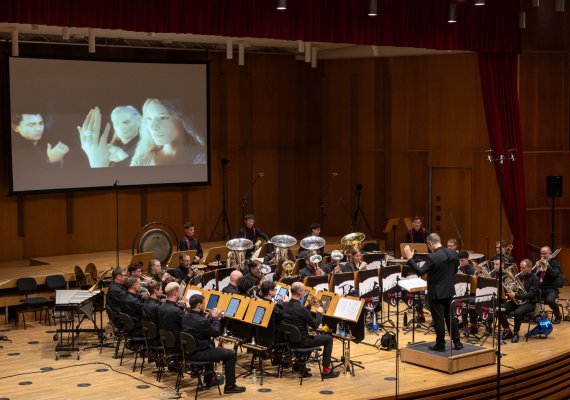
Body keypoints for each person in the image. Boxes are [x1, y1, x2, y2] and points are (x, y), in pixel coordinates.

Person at [403, 233, 463, 352]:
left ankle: (440, 344)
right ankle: (457, 342)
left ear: (430, 243)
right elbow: (455, 270)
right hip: (449, 290)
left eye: (428, 245)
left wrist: (410, 259)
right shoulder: (453, 253)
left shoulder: (432, 257)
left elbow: (420, 271)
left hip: (436, 293)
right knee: (450, 316)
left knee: (438, 318)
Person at [181, 294, 246, 394]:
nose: (205, 306)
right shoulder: (201, 320)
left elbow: (201, 327)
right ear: (199, 305)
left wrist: (209, 318)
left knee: (211, 344)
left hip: (188, 352)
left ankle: (210, 379)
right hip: (199, 353)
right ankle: (230, 386)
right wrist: (216, 318)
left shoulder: (186, 316)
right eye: (204, 303)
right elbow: (216, 333)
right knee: (231, 354)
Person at [282, 282, 339, 379]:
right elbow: (315, 326)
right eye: (304, 291)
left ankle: (299, 365)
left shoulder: (285, 305)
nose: (305, 293)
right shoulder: (301, 309)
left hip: (290, 341)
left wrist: (308, 308)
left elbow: (299, 318)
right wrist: (319, 313)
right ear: (300, 293)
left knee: (311, 336)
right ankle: (326, 371)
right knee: (328, 339)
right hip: (303, 342)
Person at [130, 98, 206, 166]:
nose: (153, 127)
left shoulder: (203, 157)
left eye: (163, 118)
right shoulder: (141, 160)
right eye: (149, 118)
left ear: (182, 120)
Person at [499, 259, 539, 343]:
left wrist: (516, 295)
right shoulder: (519, 277)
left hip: (529, 303)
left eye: (523, 268)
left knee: (517, 312)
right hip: (517, 301)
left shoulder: (535, 279)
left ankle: (516, 333)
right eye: (520, 268)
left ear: (529, 268)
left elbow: (530, 295)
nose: (521, 270)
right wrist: (509, 289)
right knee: (499, 309)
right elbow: (513, 289)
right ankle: (507, 330)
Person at [535, 246, 564, 324]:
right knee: (529, 296)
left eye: (544, 253)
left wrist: (548, 266)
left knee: (550, 300)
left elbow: (555, 274)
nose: (542, 255)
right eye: (541, 253)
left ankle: (558, 315)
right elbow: (534, 276)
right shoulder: (539, 263)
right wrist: (537, 270)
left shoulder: (555, 263)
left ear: (550, 254)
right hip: (540, 288)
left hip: (551, 288)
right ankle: (535, 315)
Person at [158, 282, 186, 352]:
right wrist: (188, 309)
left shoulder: (161, 306)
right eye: (180, 291)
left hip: (165, 341)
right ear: (175, 293)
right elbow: (187, 324)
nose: (181, 293)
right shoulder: (176, 311)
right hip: (177, 344)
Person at [457, 251, 478, 334]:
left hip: (472, 294)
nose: (460, 262)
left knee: (465, 302)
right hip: (461, 291)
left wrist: (462, 276)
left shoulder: (471, 270)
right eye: (459, 260)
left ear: (467, 259)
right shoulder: (459, 267)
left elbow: (474, 284)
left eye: (462, 260)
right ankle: (462, 323)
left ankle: (472, 325)